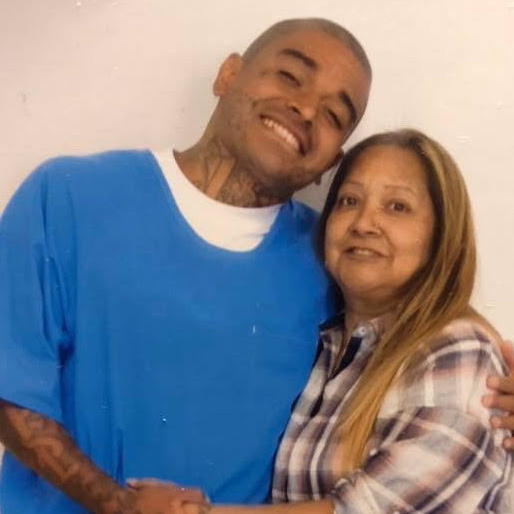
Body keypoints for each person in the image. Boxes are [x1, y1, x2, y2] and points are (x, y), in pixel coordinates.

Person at [0, 18, 512, 514]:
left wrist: (497, 393)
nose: (305, 109)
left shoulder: (332, 260)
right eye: (290, 75)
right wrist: (117, 504)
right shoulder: (70, 196)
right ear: (228, 74)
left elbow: (426, 343)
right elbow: (9, 386)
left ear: (331, 161)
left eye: (334, 115)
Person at [150, 129, 510, 513]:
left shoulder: (458, 349)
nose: (364, 223)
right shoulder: (328, 346)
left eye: (397, 206)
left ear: (442, 236)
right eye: (349, 201)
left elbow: (369, 509)